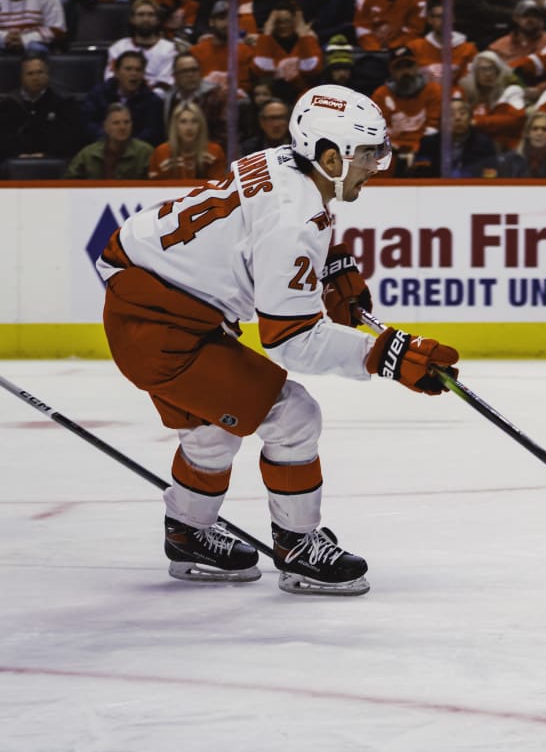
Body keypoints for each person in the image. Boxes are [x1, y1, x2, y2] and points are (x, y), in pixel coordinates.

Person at [95, 84, 458, 595]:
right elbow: (290, 339)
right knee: (293, 416)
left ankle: (187, 534)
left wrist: (328, 268)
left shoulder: (286, 161)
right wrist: (386, 355)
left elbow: (263, 230)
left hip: (154, 300)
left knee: (211, 434)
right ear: (331, 156)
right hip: (159, 327)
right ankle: (299, 547)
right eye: (371, 154)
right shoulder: (295, 219)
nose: (379, 165)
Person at [66, 103, 155, 180]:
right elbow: (68, 183)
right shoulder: (88, 155)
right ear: (105, 127)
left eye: (127, 122)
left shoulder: (145, 153)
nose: (122, 127)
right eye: (116, 123)